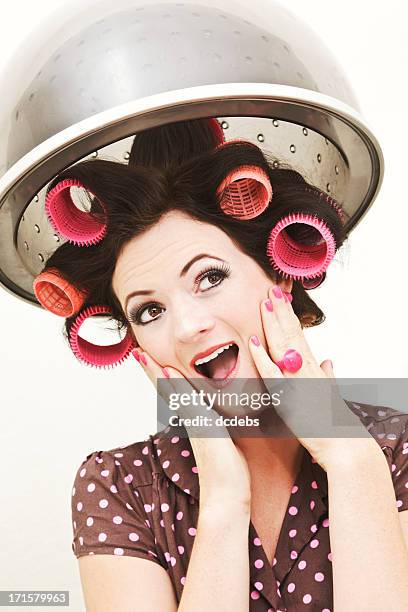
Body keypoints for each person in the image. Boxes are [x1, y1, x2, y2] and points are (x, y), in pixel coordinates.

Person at [34, 120, 408, 611]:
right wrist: (224, 502)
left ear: (280, 275)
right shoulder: (119, 487)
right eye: (149, 310)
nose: (188, 326)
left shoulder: (396, 451)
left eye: (210, 277)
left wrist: (350, 459)